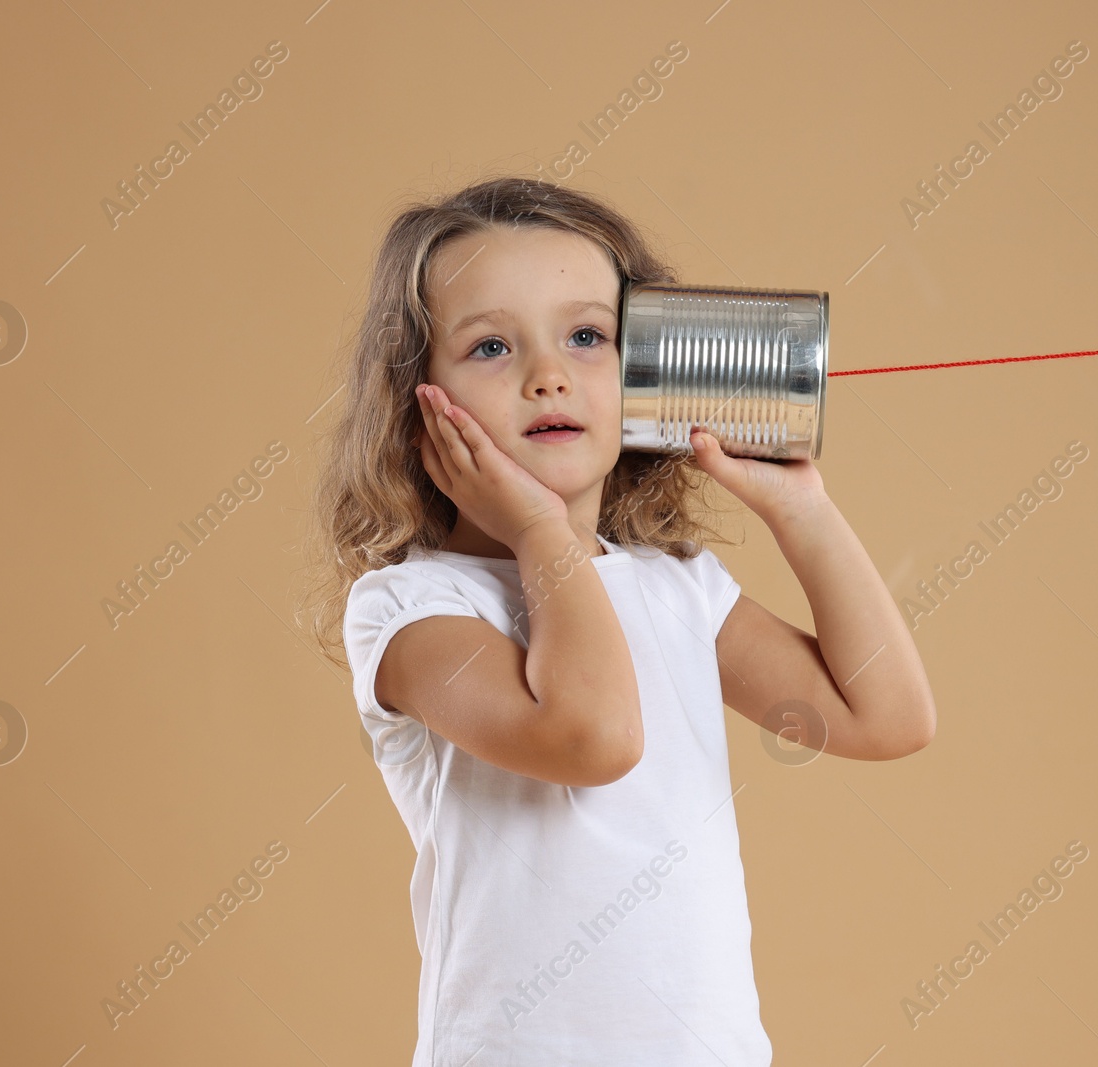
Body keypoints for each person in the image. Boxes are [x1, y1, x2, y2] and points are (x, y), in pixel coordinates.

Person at [299, 175, 937, 1065]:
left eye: (587, 335)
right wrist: (537, 528)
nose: (547, 374)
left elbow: (887, 717)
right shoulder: (411, 613)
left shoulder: (677, 592)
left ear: (642, 371)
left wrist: (803, 510)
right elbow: (595, 735)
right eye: (489, 346)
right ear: (415, 404)